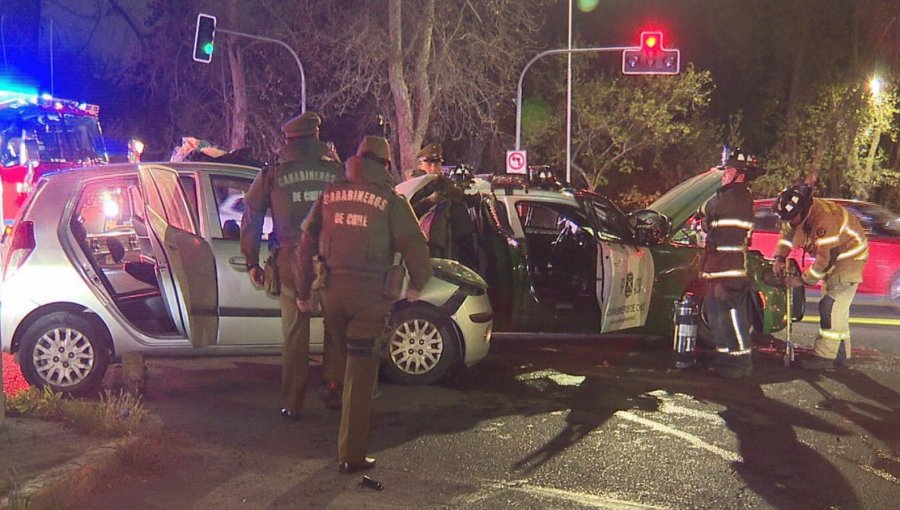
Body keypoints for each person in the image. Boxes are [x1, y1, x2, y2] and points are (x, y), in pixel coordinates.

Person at [294, 136, 432, 474]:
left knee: (342, 358)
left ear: (356, 160)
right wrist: (416, 284)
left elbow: (304, 244)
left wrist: (303, 292)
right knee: (361, 376)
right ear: (385, 165)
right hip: (370, 300)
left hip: (331, 294)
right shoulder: (390, 201)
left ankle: (335, 390)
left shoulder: (329, 194)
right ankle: (351, 455)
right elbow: (416, 247)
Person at [240, 111, 346, 420]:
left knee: (295, 334)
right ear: (316, 138)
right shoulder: (337, 171)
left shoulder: (272, 173)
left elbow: (251, 218)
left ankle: (293, 402)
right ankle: (334, 388)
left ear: (288, 140)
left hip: (290, 260)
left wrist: (251, 260)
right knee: (335, 327)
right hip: (332, 261)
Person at [772, 183, 868, 370]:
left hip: (849, 257)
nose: (790, 221)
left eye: (792, 218)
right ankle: (840, 354)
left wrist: (802, 280)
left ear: (803, 210)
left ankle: (824, 357)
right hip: (836, 257)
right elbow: (787, 236)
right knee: (838, 310)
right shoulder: (800, 213)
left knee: (830, 307)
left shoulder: (824, 220)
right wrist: (779, 257)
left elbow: (826, 259)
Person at [698, 147, 766, 379]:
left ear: (740, 174)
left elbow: (710, 212)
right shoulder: (729, 195)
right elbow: (711, 221)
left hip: (730, 269)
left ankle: (740, 361)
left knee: (732, 313)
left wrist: (706, 217)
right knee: (716, 314)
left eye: (728, 170)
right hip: (717, 267)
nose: (724, 174)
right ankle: (726, 357)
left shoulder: (735, 196)